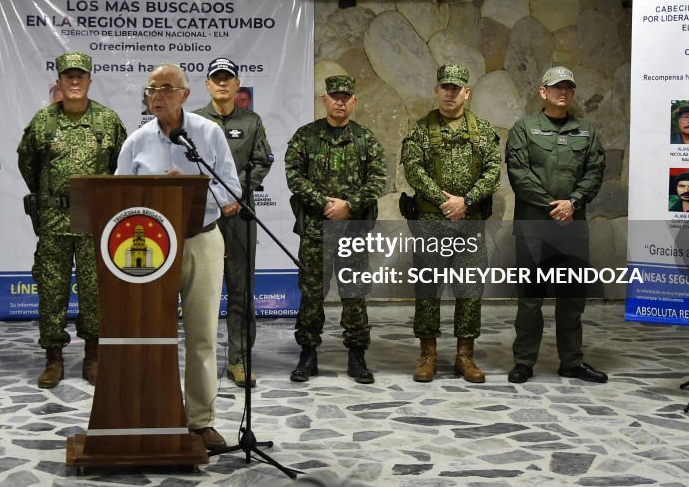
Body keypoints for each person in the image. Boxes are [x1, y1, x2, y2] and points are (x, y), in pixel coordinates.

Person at [115, 63, 240, 451]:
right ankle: (153, 414)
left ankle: (200, 422)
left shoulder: (208, 133)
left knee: (202, 336)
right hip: (152, 248)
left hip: (202, 240)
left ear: (185, 95)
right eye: (152, 89)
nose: (157, 96)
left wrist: (189, 188)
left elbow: (232, 190)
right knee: (152, 334)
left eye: (167, 89)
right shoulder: (136, 142)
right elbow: (117, 197)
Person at [17, 52, 126, 388]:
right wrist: (51, 197)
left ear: (90, 80)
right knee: (52, 289)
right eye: (69, 76)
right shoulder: (43, 122)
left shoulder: (107, 120)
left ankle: (94, 355)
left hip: (95, 220)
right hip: (54, 220)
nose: (75, 81)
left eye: (80, 76)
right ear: (59, 81)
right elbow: (27, 164)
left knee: (95, 290)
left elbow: (122, 166)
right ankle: (53, 358)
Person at [506, 66, 608, 384]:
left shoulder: (586, 131)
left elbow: (594, 171)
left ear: (573, 92)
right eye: (556, 87)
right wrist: (555, 207)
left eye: (568, 87)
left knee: (572, 297)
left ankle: (572, 361)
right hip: (533, 228)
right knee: (530, 298)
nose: (562, 91)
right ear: (543, 92)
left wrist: (573, 203)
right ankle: (524, 361)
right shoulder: (524, 129)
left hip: (572, 228)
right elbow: (519, 175)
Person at [401, 64, 500, 384]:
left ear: (466, 93)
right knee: (428, 290)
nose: (450, 93)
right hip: (431, 223)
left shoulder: (483, 130)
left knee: (470, 290)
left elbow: (493, 172)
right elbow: (413, 170)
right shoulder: (420, 130)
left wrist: (466, 201)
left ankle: (464, 356)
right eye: (445, 87)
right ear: (436, 90)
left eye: (456, 88)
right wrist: (445, 202)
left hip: (470, 223)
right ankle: (427, 355)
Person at [286, 75, 386, 385]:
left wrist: (349, 206)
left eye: (346, 97)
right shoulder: (306, 136)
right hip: (315, 231)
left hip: (352, 232)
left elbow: (378, 180)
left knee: (354, 294)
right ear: (325, 100)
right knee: (311, 294)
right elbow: (294, 175)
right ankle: (308, 354)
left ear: (354, 101)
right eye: (334, 96)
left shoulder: (365, 139)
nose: (340, 102)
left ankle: (357, 354)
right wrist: (324, 204)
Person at [193, 57, 273, 388]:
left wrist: (234, 193)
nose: (222, 83)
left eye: (228, 78)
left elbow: (262, 161)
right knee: (201, 293)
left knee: (241, 290)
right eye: (217, 78)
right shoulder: (193, 121)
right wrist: (216, 197)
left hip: (240, 215)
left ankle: (239, 360)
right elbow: (187, 165)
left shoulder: (251, 122)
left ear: (238, 84)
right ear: (208, 84)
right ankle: (201, 361)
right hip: (203, 217)